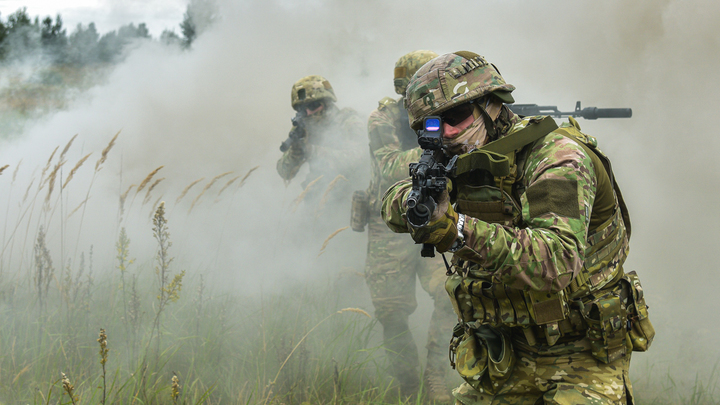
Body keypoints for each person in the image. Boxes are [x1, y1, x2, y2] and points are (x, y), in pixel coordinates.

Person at [381, 51, 654, 404]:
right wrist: (414, 203)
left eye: (457, 115)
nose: (446, 131)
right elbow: (392, 200)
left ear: (491, 104)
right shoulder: (456, 157)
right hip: (501, 353)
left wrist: (458, 228)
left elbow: (555, 260)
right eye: (432, 124)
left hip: (581, 352)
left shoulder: (557, 156)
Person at [359, 50, 455, 403]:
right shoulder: (382, 118)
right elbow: (388, 167)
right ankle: (406, 385)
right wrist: (441, 147)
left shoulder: (446, 114)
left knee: (449, 294)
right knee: (391, 310)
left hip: (433, 213)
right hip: (389, 222)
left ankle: (435, 377)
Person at [277, 74, 366, 202]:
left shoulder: (348, 121)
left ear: (327, 103)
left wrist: (313, 151)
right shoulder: (304, 128)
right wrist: (294, 154)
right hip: (318, 199)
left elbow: (358, 158)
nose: (308, 112)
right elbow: (284, 172)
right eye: (303, 109)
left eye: (313, 106)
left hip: (349, 197)